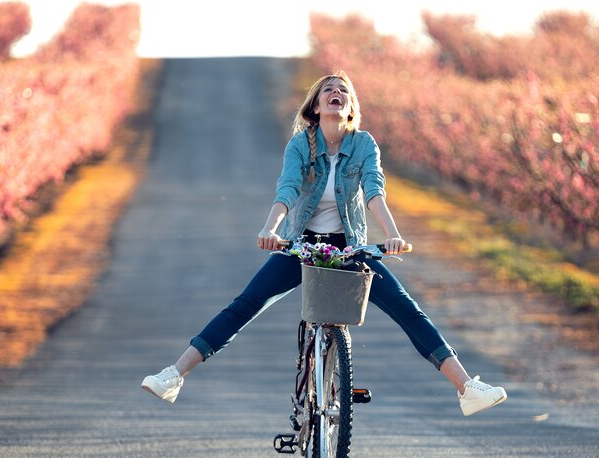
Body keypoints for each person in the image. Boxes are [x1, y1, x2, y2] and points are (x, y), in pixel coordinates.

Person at [141, 71, 507, 417]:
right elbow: (287, 189)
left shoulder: (363, 144)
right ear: (316, 105)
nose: (337, 93)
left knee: (407, 310)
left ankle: (466, 389)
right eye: (329, 89)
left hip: (350, 248)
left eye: (343, 90)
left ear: (350, 107)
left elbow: (374, 190)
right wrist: (270, 229)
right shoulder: (301, 144)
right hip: (303, 246)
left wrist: (392, 235)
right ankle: (175, 375)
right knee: (246, 305)